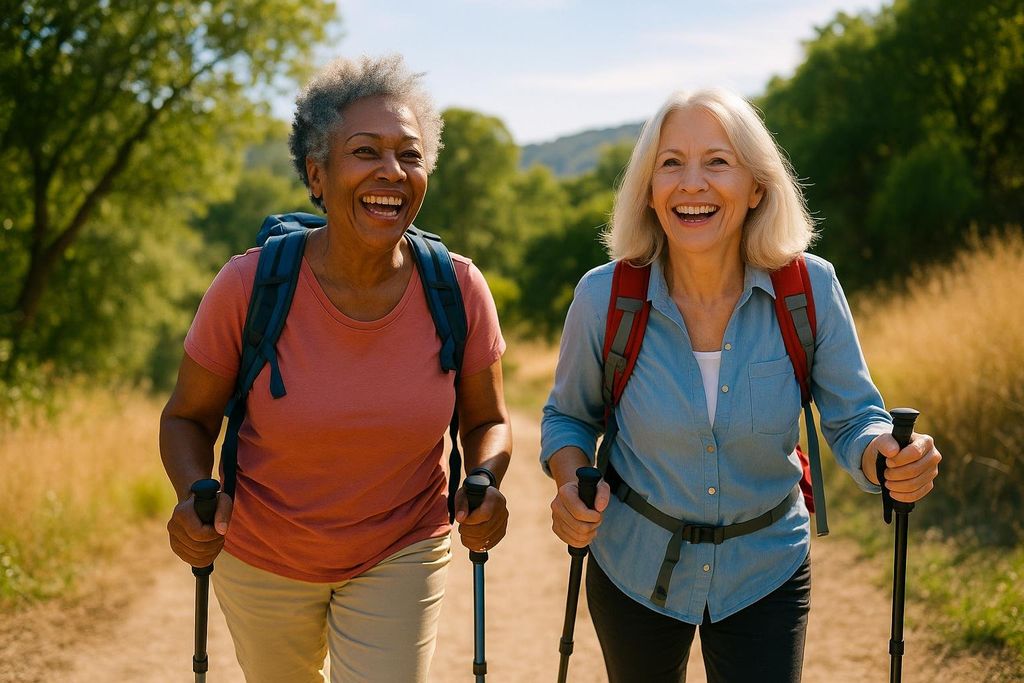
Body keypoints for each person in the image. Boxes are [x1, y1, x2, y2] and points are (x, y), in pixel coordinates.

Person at [540, 88, 941, 682]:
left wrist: (887, 458)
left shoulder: (809, 290)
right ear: (648, 190)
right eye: (670, 163)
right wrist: (572, 481)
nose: (691, 183)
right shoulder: (604, 297)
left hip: (766, 566)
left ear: (757, 186)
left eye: (718, 162)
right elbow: (568, 419)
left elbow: (855, 417)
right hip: (634, 564)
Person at [160, 54, 511, 683]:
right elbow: (186, 417)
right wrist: (193, 495)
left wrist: (484, 479)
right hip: (262, 552)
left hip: (403, 545)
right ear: (317, 175)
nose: (392, 172)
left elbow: (488, 420)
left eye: (410, 154)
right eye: (366, 152)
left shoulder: (457, 288)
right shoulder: (249, 285)